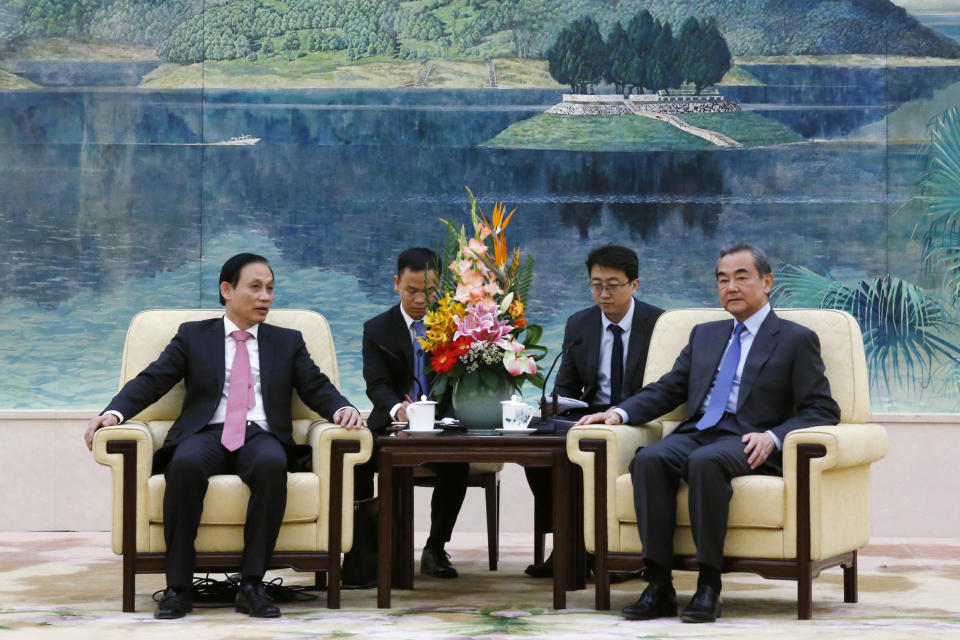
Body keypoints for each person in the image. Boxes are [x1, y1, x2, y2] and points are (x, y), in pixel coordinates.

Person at [84, 253, 365, 619]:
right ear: (227, 290)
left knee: (271, 464)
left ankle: (251, 585)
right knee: (184, 465)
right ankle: (178, 588)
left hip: (261, 433)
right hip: (206, 432)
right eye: (256, 287)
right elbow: (153, 380)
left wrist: (341, 408)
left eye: (270, 289)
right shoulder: (193, 336)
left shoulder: (287, 341)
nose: (266, 297)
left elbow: (315, 385)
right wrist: (113, 413)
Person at [577, 243, 840, 623]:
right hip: (700, 429)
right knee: (649, 460)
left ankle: (709, 586)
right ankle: (658, 586)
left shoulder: (795, 339)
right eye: (722, 279)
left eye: (741, 277)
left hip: (749, 438)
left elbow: (822, 410)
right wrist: (618, 413)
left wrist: (774, 437)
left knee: (705, 462)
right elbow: (668, 389)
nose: (730, 287)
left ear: (767, 282)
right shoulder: (706, 334)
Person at [525, 245, 663, 578]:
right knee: (536, 445)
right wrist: (555, 404)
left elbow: (662, 390)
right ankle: (568, 543)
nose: (603, 294)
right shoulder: (579, 324)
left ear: (635, 284)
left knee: (604, 451)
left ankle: (619, 553)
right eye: (596, 284)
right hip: (590, 412)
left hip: (637, 414)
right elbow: (567, 386)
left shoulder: (658, 323)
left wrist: (624, 412)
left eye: (613, 284)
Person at [358, 247, 469, 579]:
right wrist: (398, 409)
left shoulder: (456, 326)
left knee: (457, 462)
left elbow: (462, 382)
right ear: (396, 284)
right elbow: (376, 385)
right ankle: (372, 551)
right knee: (359, 459)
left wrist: (448, 417)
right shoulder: (377, 329)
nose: (421, 299)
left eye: (430, 291)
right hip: (392, 428)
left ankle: (435, 548)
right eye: (412, 291)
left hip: (444, 428)